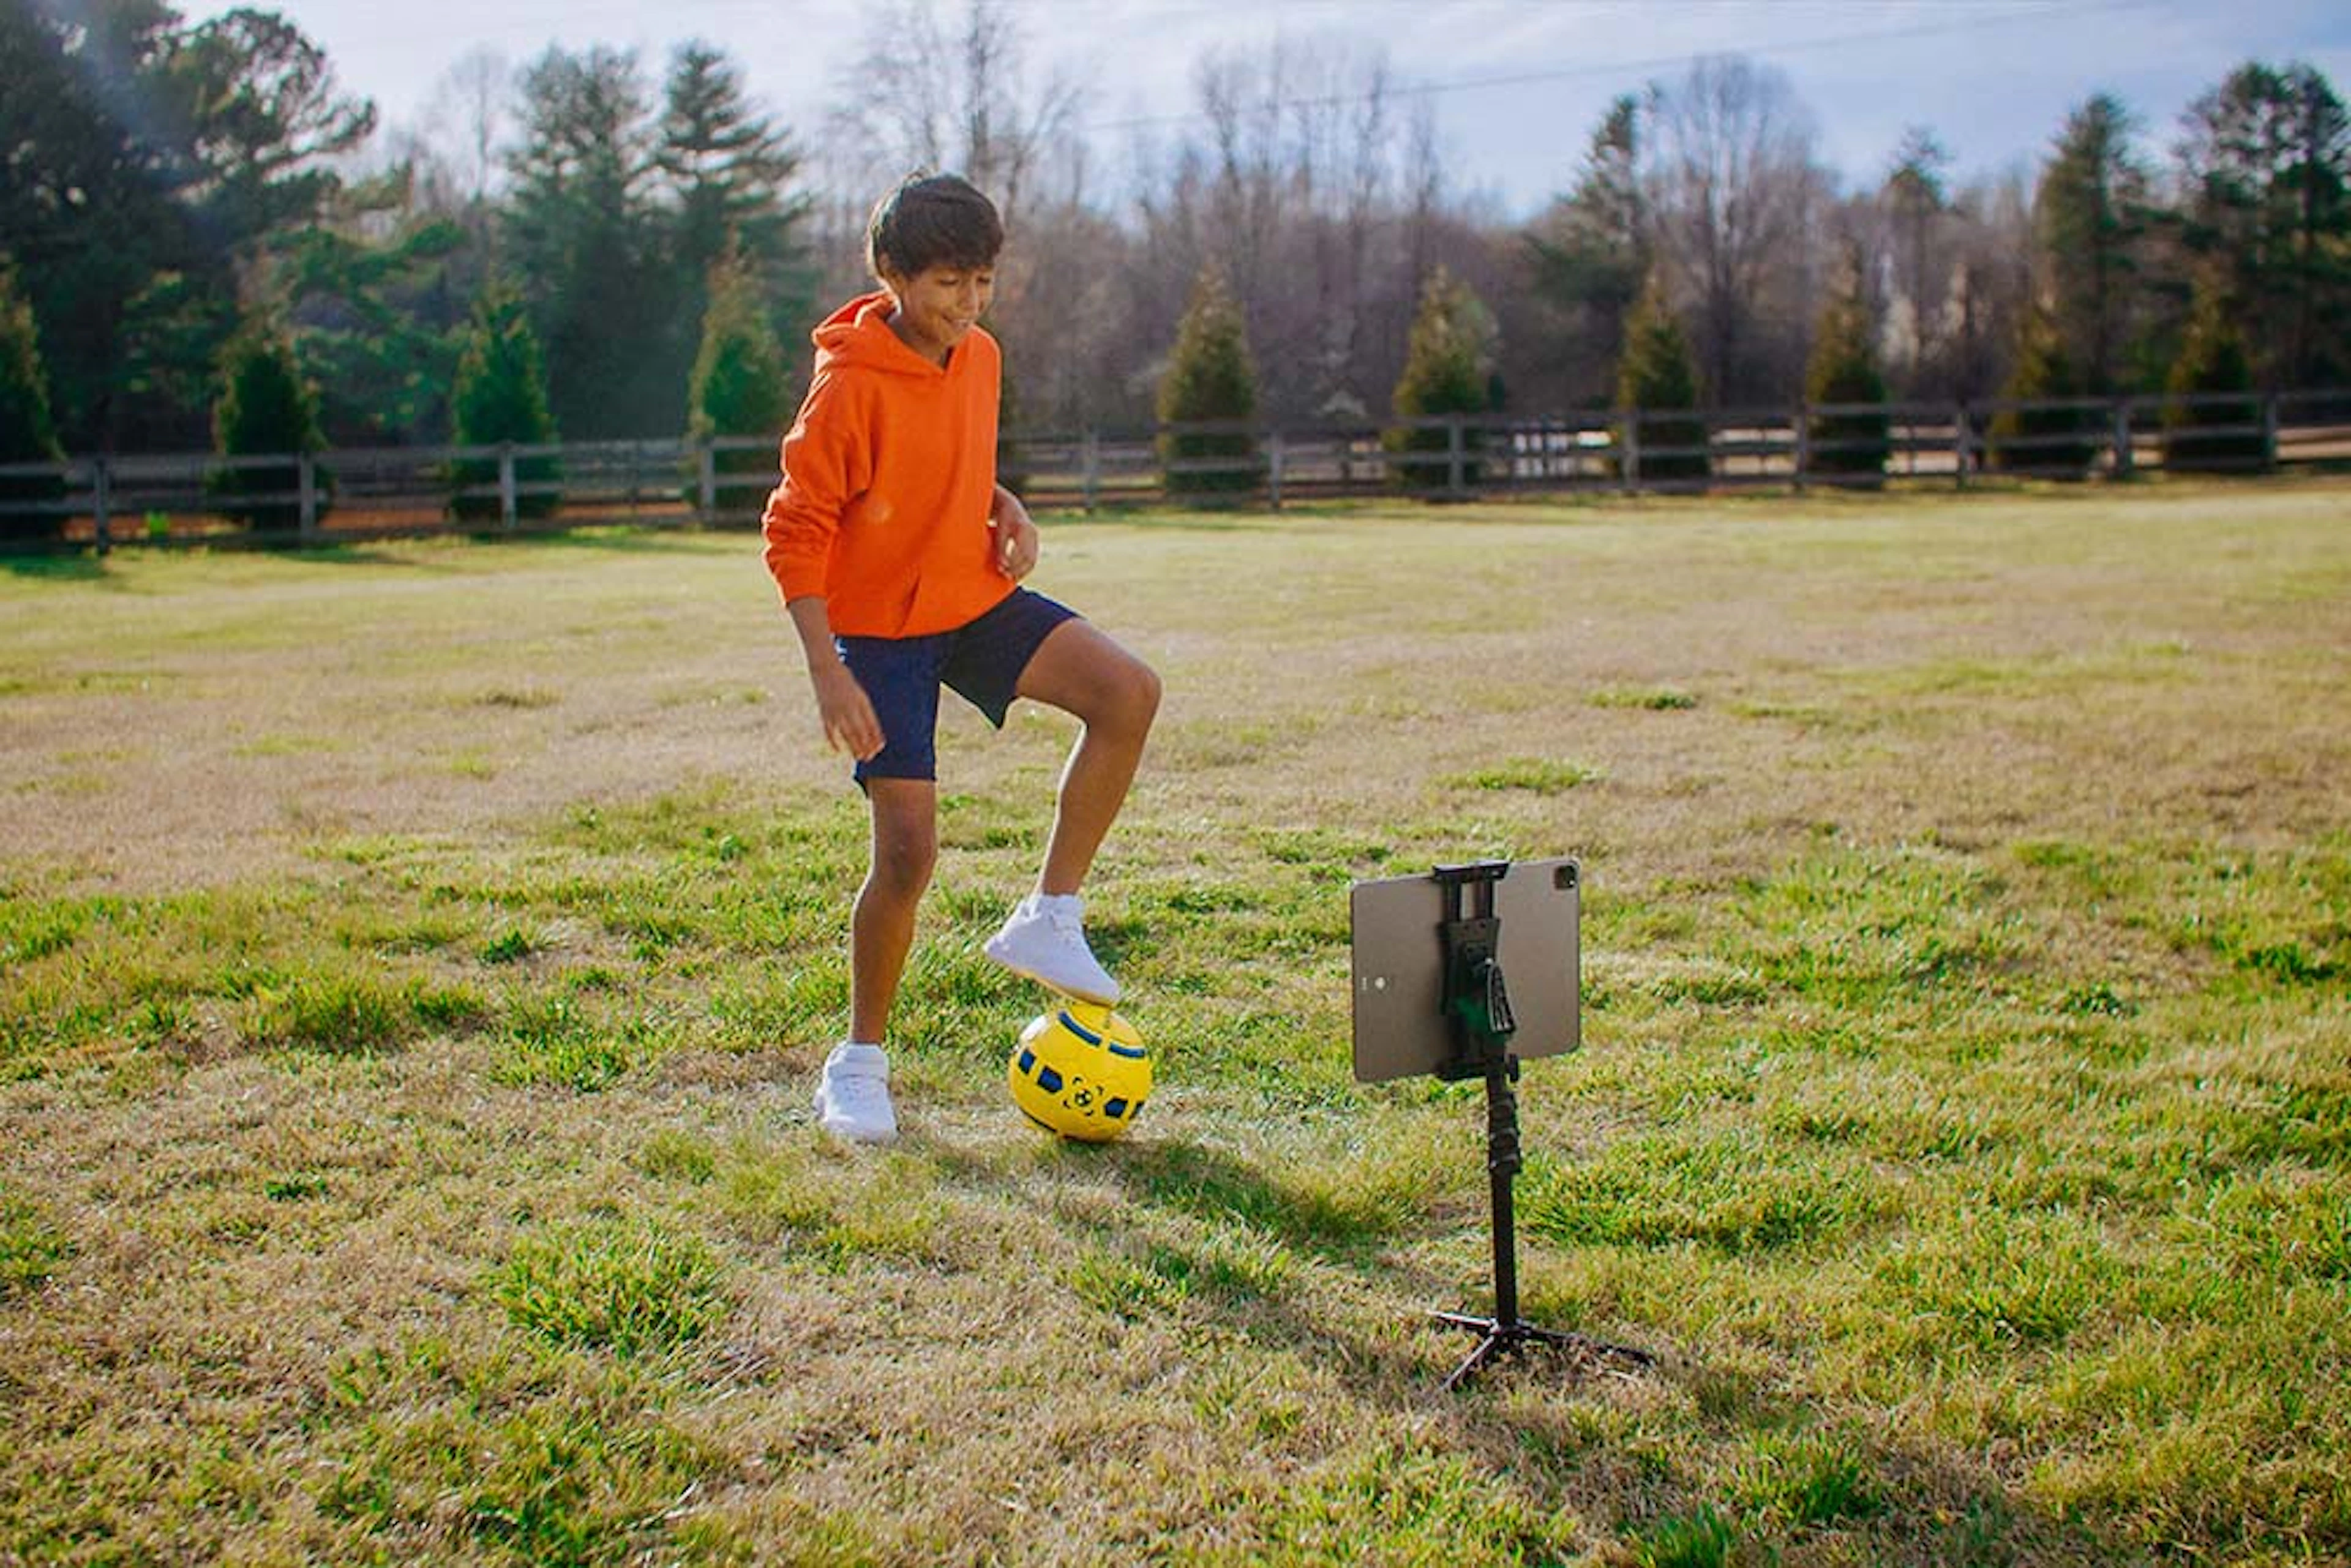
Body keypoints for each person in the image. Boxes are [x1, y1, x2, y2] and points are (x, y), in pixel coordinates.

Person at [762, 172, 1160, 1146]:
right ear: (892, 274)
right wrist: (828, 668)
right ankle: (857, 1066)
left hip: (968, 596)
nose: (968, 304)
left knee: (1127, 693)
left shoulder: (978, 355)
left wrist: (1000, 501)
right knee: (907, 857)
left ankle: (1050, 914)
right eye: (948, 283)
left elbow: (951, 454)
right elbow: (794, 528)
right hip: (879, 633)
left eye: (982, 281)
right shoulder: (848, 385)